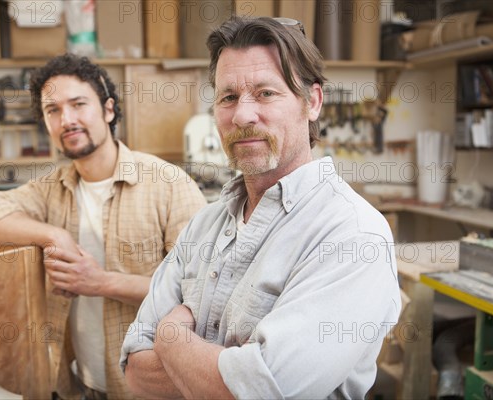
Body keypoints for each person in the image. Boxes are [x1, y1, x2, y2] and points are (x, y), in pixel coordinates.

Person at [120, 16, 401, 399]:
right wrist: (225, 372)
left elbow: (261, 393)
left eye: (266, 93)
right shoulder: (204, 225)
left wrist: (170, 339)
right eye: (228, 97)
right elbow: (136, 372)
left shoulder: (353, 234)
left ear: (312, 102)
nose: (242, 115)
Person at [0, 53, 206, 400]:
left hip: (149, 388)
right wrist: (53, 234)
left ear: (108, 110)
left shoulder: (168, 183)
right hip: (81, 383)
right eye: (53, 110)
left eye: (78, 104)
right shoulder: (51, 189)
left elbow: (198, 293)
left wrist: (101, 282)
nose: (67, 120)